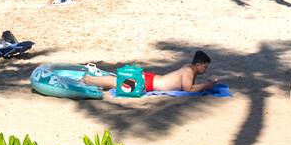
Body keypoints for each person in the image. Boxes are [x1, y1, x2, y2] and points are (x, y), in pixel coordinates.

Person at [86, 51, 215, 95]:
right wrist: (207, 85)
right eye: (205, 66)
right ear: (197, 65)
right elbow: (188, 90)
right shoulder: (188, 71)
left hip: (149, 80)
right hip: (146, 83)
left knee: (114, 83)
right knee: (114, 82)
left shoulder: (189, 68)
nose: (206, 69)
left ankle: (92, 80)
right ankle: (87, 80)